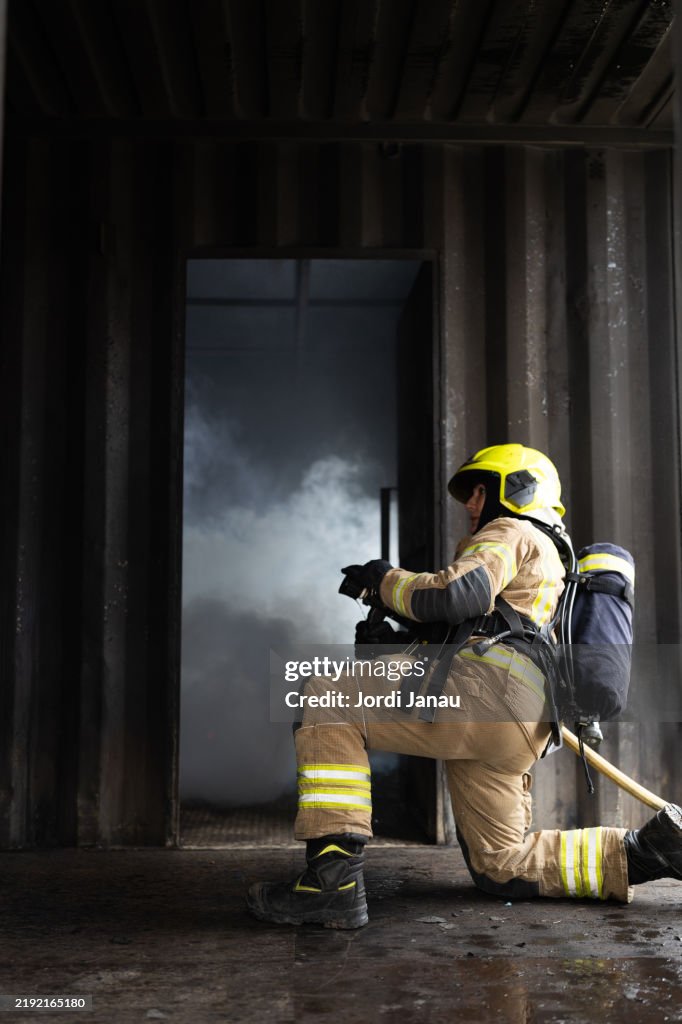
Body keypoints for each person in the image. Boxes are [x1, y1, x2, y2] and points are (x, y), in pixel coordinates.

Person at [247, 444, 682, 929]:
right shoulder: (554, 566)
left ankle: (331, 885)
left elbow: (455, 593)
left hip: (487, 695)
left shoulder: (512, 530)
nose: (472, 506)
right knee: (502, 865)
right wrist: (392, 645)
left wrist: (383, 579)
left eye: (479, 491)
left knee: (324, 696)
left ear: (514, 490)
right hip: (521, 722)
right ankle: (647, 853)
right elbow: (477, 635)